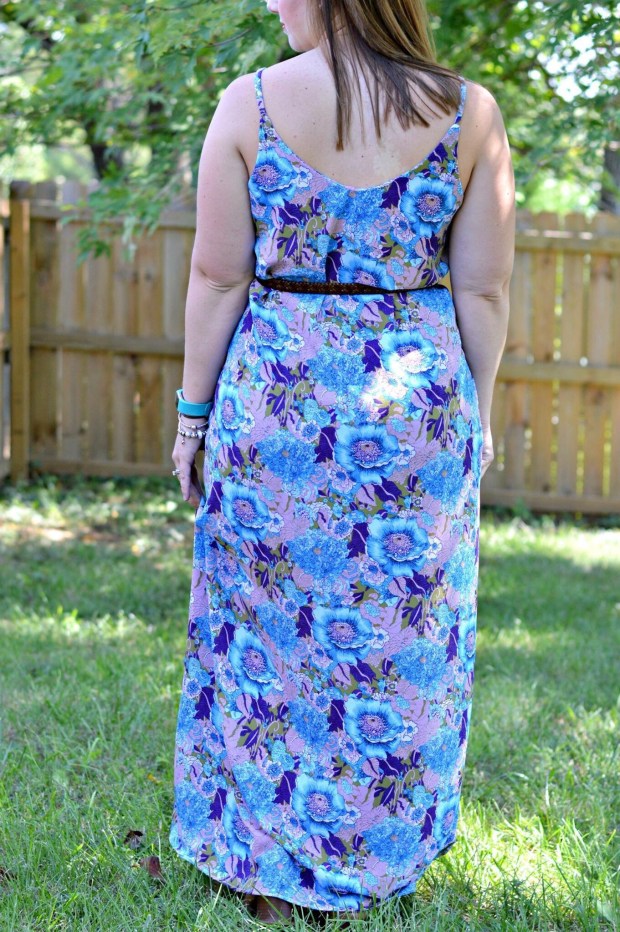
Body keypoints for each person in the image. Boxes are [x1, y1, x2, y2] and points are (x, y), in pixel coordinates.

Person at [169, 0, 514, 923]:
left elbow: (217, 277)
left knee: (264, 632)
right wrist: (474, 416)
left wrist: (193, 419)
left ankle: (265, 860)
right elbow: (483, 288)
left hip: (278, 411)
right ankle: (377, 859)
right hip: (415, 418)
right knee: (400, 645)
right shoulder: (468, 113)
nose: (271, 3)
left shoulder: (248, 104)